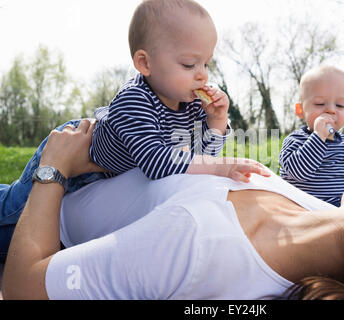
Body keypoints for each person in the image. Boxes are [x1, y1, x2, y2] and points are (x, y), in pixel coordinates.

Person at [3, 119, 344, 300]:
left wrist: (54, 169)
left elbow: (22, 287)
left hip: (46, 206)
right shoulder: (328, 228)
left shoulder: (200, 242)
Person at [0, 0, 269, 262]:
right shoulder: (135, 100)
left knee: (38, 229)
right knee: (15, 209)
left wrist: (216, 123)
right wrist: (221, 167)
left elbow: (200, 160)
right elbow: (156, 163)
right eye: (189, 65)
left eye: (206, 63)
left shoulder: (190, 104)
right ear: (145, 64)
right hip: (73, 150)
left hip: (104, 177)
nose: (202, 76)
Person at [279, 65, 344, 207]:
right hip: (302, 209)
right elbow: (299, 173)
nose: (331, 110)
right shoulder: (295, 140)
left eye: (340, 105)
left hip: (338, 208)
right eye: (320, 103)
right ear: (300, 110)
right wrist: (318, 136)